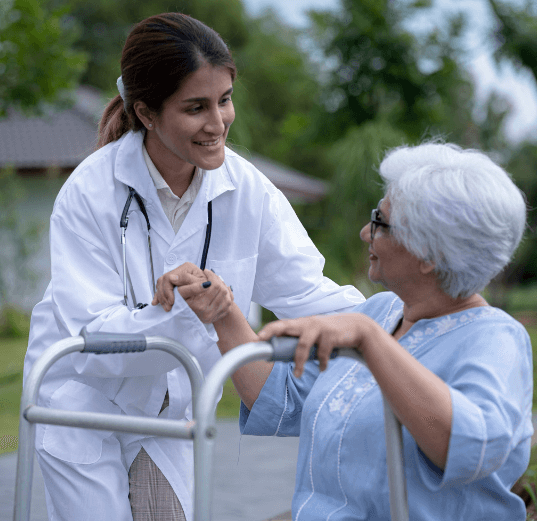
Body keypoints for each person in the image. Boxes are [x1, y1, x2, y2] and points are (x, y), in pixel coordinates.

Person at [23, 12, 364, 521]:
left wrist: (404, 316)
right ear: (147, 112)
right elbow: (94, 337)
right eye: (195, 107)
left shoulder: (248, 191)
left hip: (171, 406)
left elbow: (310, 294)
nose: (217, 122)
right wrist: (190, 307)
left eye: (224, 100)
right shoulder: (90, 192)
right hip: (82, 403)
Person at [158, 142, 533, 520]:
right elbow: (280, 397)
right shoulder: (382, 312)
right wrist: (222, 311)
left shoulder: (495, 339)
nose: (365, 233)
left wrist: (369, 339)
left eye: (381, 222)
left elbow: (467, 446)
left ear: (430, 254)